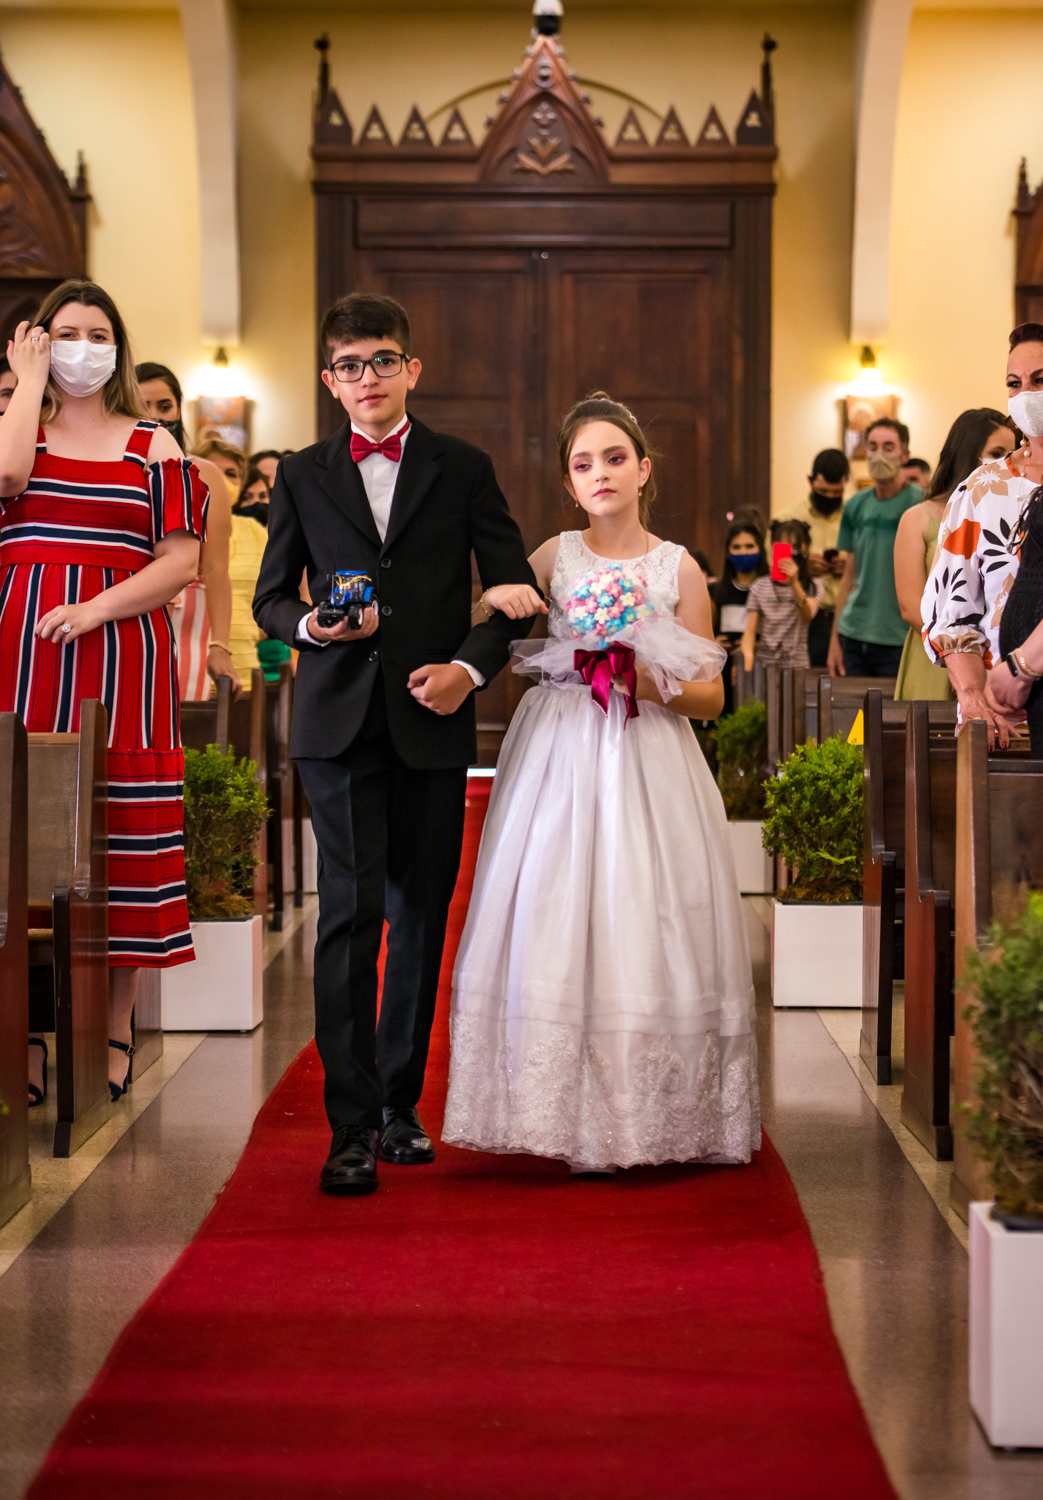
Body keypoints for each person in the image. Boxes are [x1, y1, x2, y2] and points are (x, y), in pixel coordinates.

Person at [253, 291, 537, 1196]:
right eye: (349, 365)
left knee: (419, 916)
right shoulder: (301, 474)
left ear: (411, 368)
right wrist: (312, 628)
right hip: (335, 723)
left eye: (382, 360)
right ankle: (346, 1125)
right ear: (329, 381)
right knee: (349, 913)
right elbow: (270, 598)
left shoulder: (463, 468)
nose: (366, 377)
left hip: (431, 718)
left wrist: (466, 669)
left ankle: (398, 1109)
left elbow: (513, 594)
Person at [442, 394, 759, 1173]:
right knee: (552, 902)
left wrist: (646, 682)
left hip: (648, 753)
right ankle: (546, 1108)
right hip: (559, 751)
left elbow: (712, 696)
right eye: (583, 464)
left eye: (614, 458)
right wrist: (490, 600)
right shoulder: (554, 556)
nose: (600, 473)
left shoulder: (678, 567)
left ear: (643, 469)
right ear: (568, 484)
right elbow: (493, 617)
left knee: (642, 905)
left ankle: (646, 1112)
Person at [0, 281, 207, 1105]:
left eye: (97, 334)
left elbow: (181, 560)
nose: (81, 348)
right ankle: (21, 1032)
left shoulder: (153, 443)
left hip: (120, 651)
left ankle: (115, 1026)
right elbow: (8, 475)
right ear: (37, 341)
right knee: (18, 838)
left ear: (117, 347)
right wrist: (25, 383)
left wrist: (95, 608)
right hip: (20, 653)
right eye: (64, 333)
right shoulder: (18, 429)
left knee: (122, 834)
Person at [924, 323, 1043, 743]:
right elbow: (952, 608)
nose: (1026, 394)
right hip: (999, 714)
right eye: (1014, 383)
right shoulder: (982, 489)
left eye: (1039, 380)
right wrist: (974, 697)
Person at [894, 409, 1014, 701]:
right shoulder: (918, 518)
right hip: (940, 656)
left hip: (1003, 660)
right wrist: (967, 656)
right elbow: (911, 607)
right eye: (996, 453)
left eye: (1012, 454)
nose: (1006, 463)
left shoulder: (1015, 517)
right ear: (967, 454)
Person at [136, 363, 239, 699]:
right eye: (143, 406)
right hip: (121, 607)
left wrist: (220, 645)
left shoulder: (204, 473)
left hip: (187, 617)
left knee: (184, 718)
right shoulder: (111, 469)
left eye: (165, 406)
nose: (156, 416)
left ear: (179, 409)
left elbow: (216, 568)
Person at [828, 418, 923, 677]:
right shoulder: (855, 506)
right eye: (872, 446)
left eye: (888, 447)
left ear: (905, 455)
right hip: (853, 634)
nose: (879, 454)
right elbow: (848, 576)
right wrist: (835, 640)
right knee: (851, 705)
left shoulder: (922, 504)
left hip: (901, 638)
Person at [777, 448, 849, 667]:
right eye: (823, 491)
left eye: (836, 493)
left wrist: (850, 566)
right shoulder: (786, 519)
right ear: (810, 481)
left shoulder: (854, 517)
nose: (830, 497)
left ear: (846, 482)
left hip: (846, 616)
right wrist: (802, 567)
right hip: (802, 617)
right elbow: (775, 570)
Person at [740, 518, 822, 671]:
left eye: (795, 547)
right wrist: (747, 665)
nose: (790, 552)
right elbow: (749, 632)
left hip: (797, 666)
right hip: (764, 666)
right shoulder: (760, 585)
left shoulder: (813, 585)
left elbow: (807, 614)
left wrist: (794, 583)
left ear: (806, 549)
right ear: (772, 547)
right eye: (782, 546)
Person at [710, 513, 768, 713]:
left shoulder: (770, 589)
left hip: (760, 665)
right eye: (737, 547)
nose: (743, 552)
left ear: (760, 549)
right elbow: (704, 629)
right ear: (728, 552)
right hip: (724, 669)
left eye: (749, 546)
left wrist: (757, 646)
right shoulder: (717, 591)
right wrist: (713, 643)